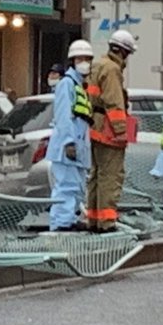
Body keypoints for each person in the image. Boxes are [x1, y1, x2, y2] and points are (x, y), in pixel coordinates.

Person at [86, 29, 136, 233]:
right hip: (108, 132)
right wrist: (121, 131)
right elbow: (114, 103)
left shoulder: (97, 64)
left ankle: (93, 219)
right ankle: (107, 223)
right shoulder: (113, 69)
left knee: (96, 176)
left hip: (94, 127)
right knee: (110, 177)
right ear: (123, 52)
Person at [47, 40, 94, 231]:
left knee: (76, 186)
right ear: (72, 61)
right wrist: (69, 142)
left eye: (87, 59)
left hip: (78, 148)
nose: (84, 63)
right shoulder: (67, 84)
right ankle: (61, 224)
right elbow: (63, 115)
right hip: (67, 148)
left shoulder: (79, 85)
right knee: (66, 186)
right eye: (79, 59)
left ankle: (69, 220)